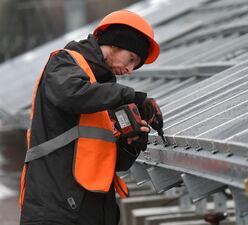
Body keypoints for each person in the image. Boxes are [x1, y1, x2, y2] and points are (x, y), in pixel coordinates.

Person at [19, 10, 160, 225]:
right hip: (56, 209)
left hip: (91, 209)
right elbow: (72, 94)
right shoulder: (64, 62)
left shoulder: (104, 90)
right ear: (115, 42)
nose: (130, 69)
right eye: (131, 59)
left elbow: (106, 160)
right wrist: (130, 96)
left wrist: (131, 144)